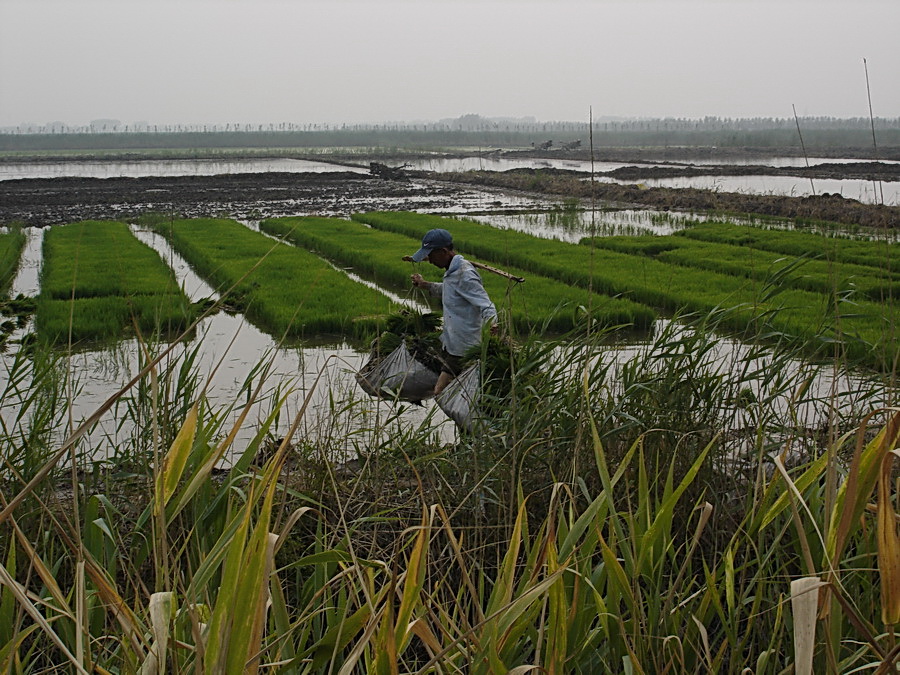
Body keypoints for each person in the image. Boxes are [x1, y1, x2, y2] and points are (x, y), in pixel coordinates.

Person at [409, 228, 497, 395]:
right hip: (453, 342)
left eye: (431, 255)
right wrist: (425, 285)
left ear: (443, 251)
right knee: (458, 391)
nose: (429, 260)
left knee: (440, 391)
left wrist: (492, 323)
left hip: (464, 347)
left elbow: (486, 305)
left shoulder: (465, 274)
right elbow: (451, 290)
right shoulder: (453, 272)